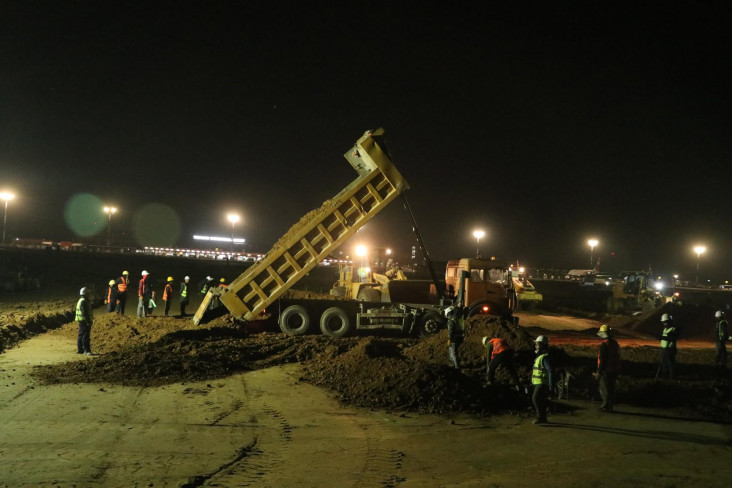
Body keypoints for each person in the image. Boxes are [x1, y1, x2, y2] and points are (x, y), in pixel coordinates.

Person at [594, 324, 620, 412]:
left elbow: (602, 360)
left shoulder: (604, 345)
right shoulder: (614, 343)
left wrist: (599, 372)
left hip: (606, 370)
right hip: (614, 369)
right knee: (611, 389)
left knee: (604, 390)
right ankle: (610, 406)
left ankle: (605, 406)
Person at [531, 335, 552, 424]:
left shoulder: (544, 357)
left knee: (535, 398)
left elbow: (550, 370)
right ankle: (543, 418)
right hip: (539, 382)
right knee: (541, 400)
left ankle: (540, 417)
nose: (536, 346)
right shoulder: (540, 357)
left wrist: (551, 385)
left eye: (537, 344)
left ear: (542, 345)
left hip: (542, 383)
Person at [657, 313, 678, 379]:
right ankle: (664, 376)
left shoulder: (674, 329)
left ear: (669, 321)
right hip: (663, 349)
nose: (664, 324)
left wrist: (663, 338)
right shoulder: (665, 329)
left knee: (670, 363)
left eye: (665, 322)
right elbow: (664, 337)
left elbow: (672, 338)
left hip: (670, 349)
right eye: (663, 322)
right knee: (663, 363)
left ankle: (672, 376)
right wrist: (661, 338)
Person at [445, 305, 465, 370]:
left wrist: (449, 339)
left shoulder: (451, 321)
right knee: (452, 351)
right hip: (461, 337)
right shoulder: (460, 319)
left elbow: (451, 331)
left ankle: (456, 366)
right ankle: (452, 364)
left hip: (454, 338)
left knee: (453, 352)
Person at [75, 287, 94, 355]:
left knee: (81, 335)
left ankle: (80, 349)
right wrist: (88, 321)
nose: (89, 295)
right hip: (84, 321)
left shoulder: (81, 300)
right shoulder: (84, 301)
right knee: (85, 336)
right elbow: (84, 313)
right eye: (88, 293)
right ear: (86, 294)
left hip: (81, 320)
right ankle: (87, 350)